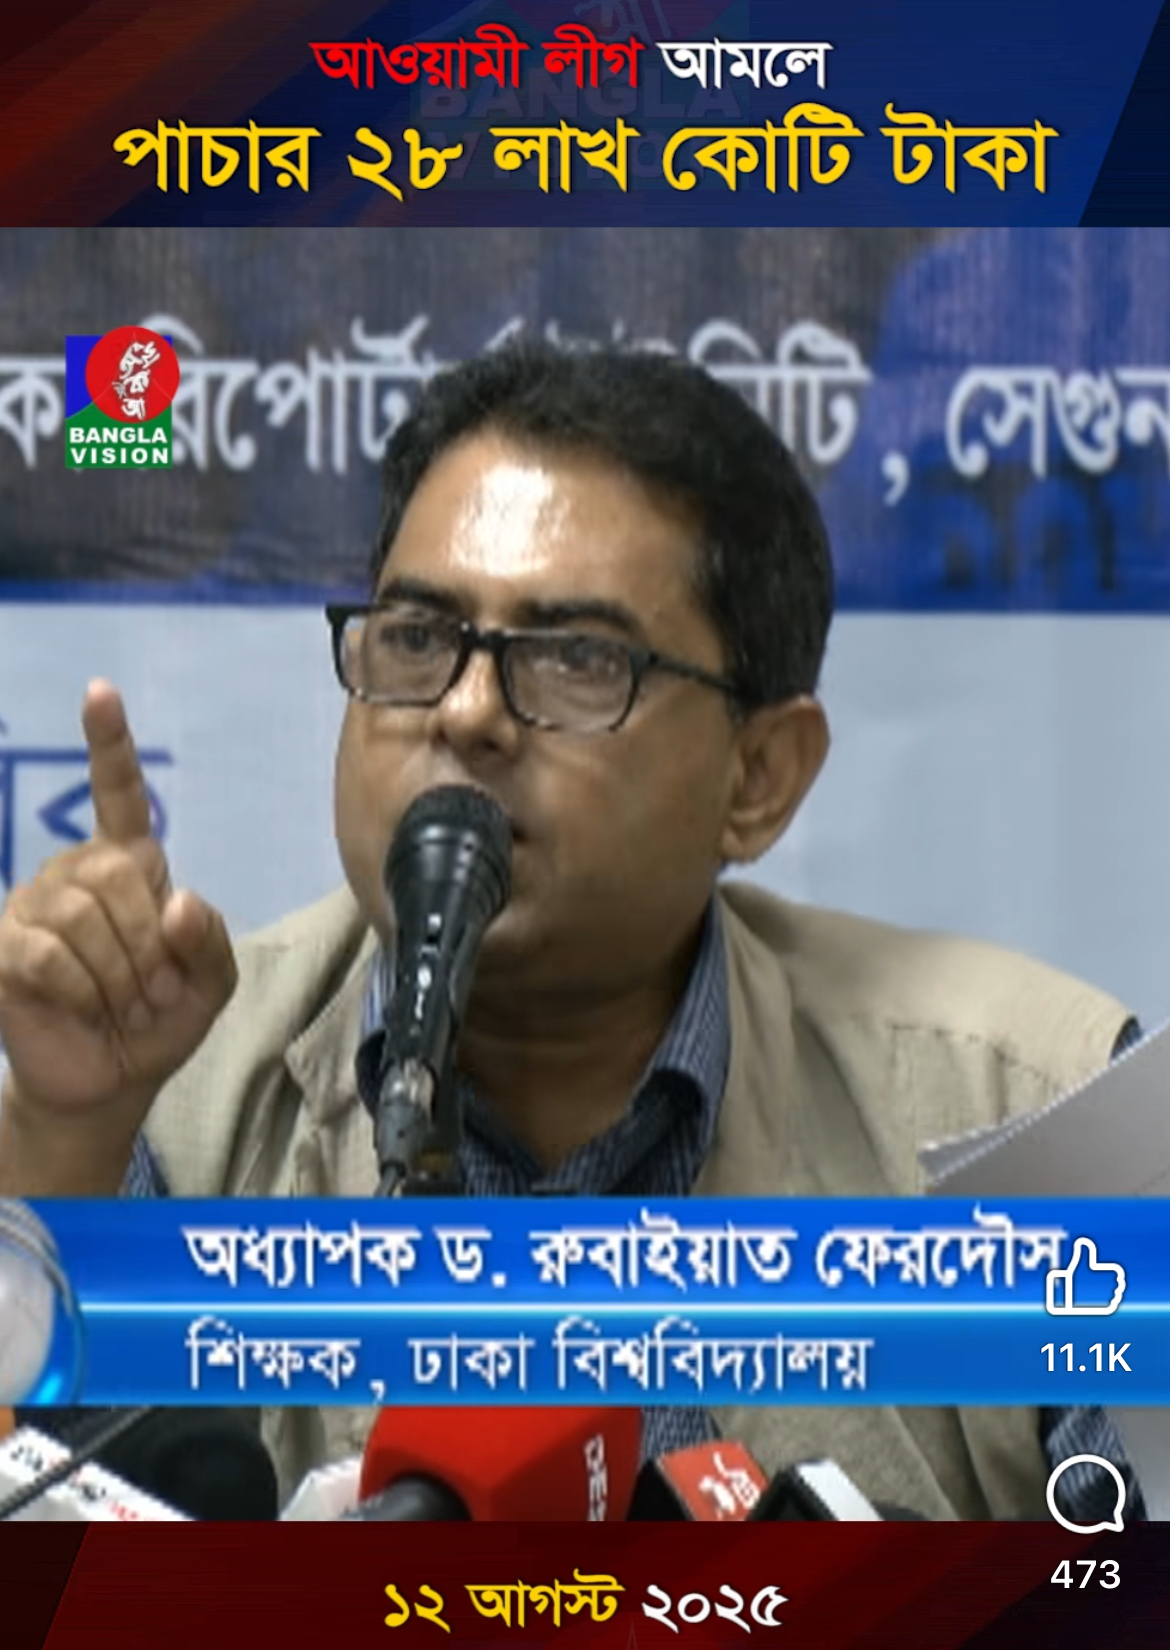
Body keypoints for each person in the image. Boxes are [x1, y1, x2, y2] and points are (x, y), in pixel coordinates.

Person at [0, 342, 1142, 1517]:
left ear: (758, 776)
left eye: (576, 659)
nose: (467, 712)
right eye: (417, 638)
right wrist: (62, 1134)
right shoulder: (164, 1091)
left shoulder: (1055, 1112)